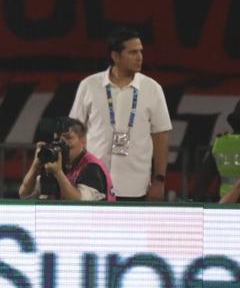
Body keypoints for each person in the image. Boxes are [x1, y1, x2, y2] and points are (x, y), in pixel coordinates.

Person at [70, 27, 173, 201]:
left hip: (135, 187)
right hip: (93, 186)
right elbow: (74, 132)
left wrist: (159, 180)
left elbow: (161, 136)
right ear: (115, 56)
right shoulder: (89, 85)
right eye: (133, 52)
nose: (140, 57)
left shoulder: (152, 89)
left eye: (140, 51)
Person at [18, 117, 114, 201]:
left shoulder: (92, 167)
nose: (62, 143)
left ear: (83, 140)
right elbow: (24, 194)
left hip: (95, 220)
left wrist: (58, 173)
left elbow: (80, 202)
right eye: (57, 138)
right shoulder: (56, 163)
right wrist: (36, 165)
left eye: (68, 138)